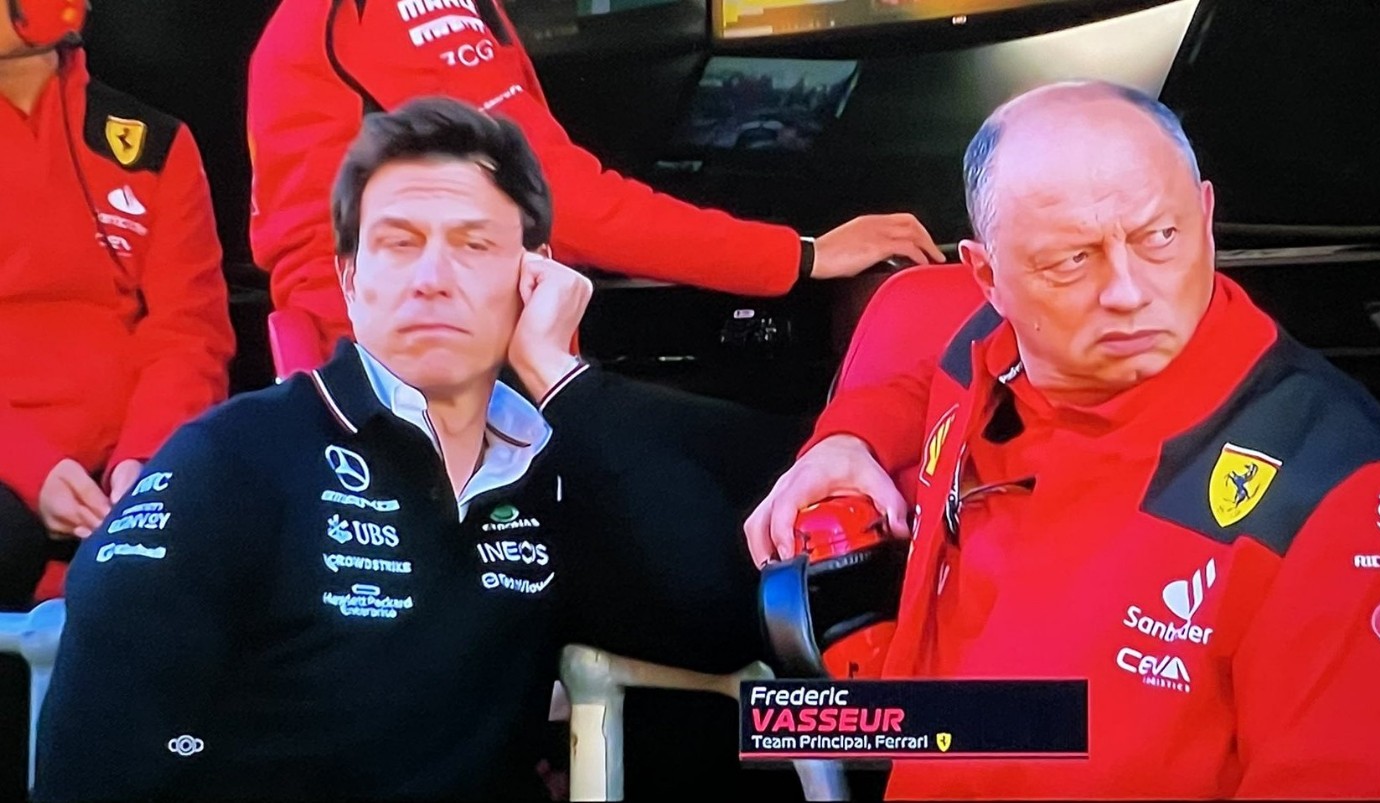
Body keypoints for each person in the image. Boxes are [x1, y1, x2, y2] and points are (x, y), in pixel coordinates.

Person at [34, 95, 792, 802]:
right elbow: (93, 765)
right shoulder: (228, 462)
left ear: (537, 277)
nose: (433, 278)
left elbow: (715, 625)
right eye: (399, 244)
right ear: (351, 280)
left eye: (473, 244)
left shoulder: (555, 475)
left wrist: (563, 379)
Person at [744, 80, 1380, 798]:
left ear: (1207, 215)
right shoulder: (988, 351)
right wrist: (842, 441)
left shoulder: (1341, 493)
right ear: (988, 277)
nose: (1127, 291)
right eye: (1071, 260)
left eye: (1161, 237)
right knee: (765, 726)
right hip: (973, 729)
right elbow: (925, 372)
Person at [246, 0, 945, 362]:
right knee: (773, 473)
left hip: (411, 388)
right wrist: (806, 255)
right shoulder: (404, 9)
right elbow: (567, 205)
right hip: (440, 399)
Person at [2, 3, 234, 795]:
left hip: (123, 482)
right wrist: (35, 474)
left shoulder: (154, 144)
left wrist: (145, 462)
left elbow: (191, 334)